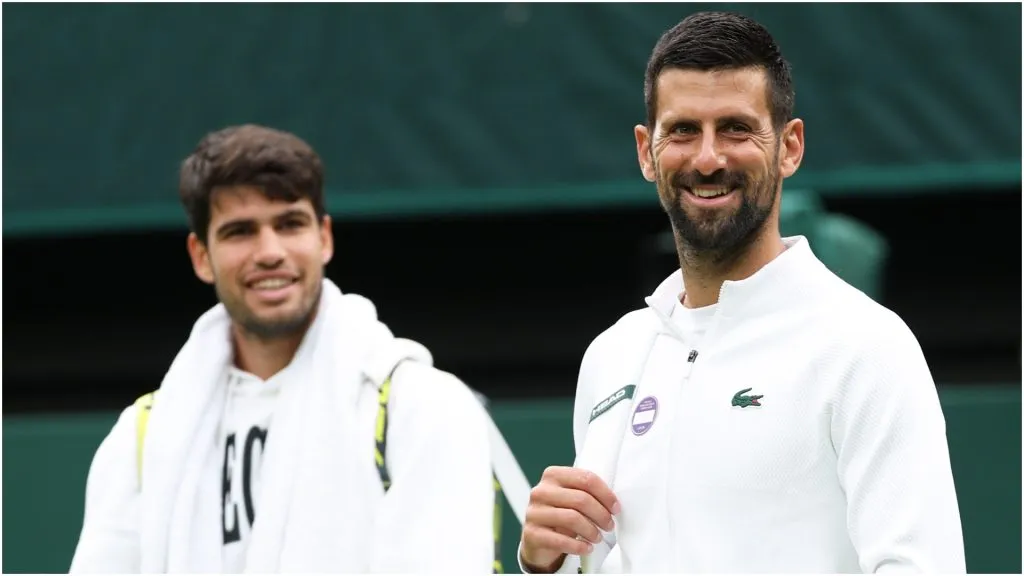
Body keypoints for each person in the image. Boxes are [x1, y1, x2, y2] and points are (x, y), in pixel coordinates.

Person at [518, 11, 965, 574]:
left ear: (790, 146)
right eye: (683, 130)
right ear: (646, 152)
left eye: (735, 128)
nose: (708, 158)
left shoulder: (865, 346)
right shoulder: (614, 354)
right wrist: (545, 562)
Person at [70, 124, 502, 573]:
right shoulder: (142, 437)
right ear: (201, 256)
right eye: (240, 231)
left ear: (324, 237)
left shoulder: (423, 405)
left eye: (289, 224)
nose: (270, 252)